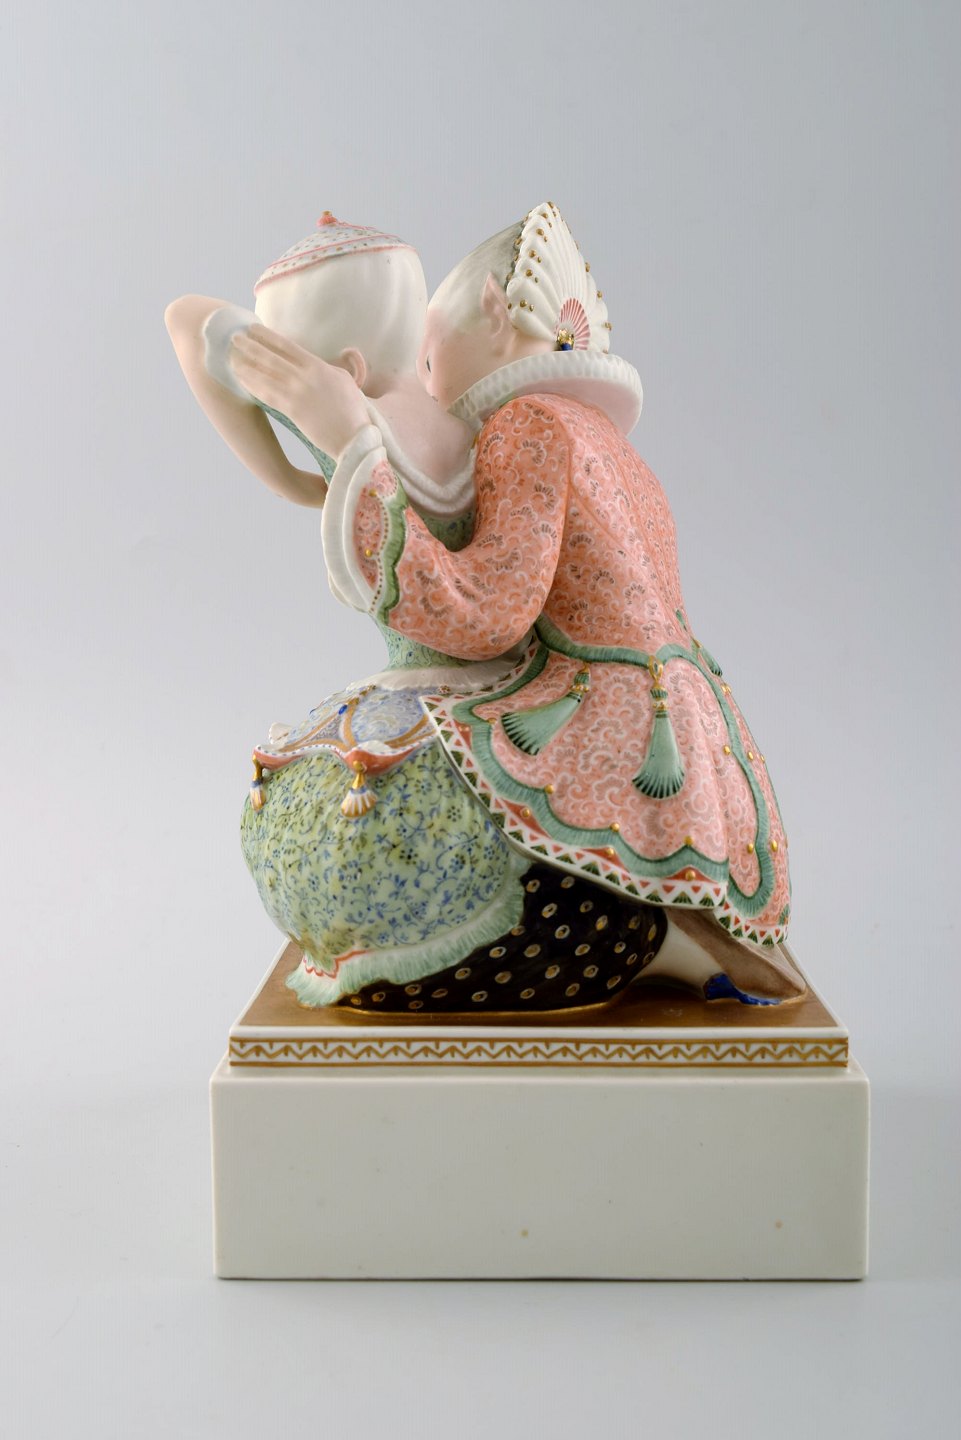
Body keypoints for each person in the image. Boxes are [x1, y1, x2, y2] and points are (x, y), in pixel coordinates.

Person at [233, 202, 804, 1009]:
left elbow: (484, 615)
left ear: (492, 312)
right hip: (684, 730)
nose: (428, 383)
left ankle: (644, 928)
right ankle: (668, 922)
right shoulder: (604, 439)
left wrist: (354, 448)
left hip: (601, 725)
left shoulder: (524, 424)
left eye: (428, 356)